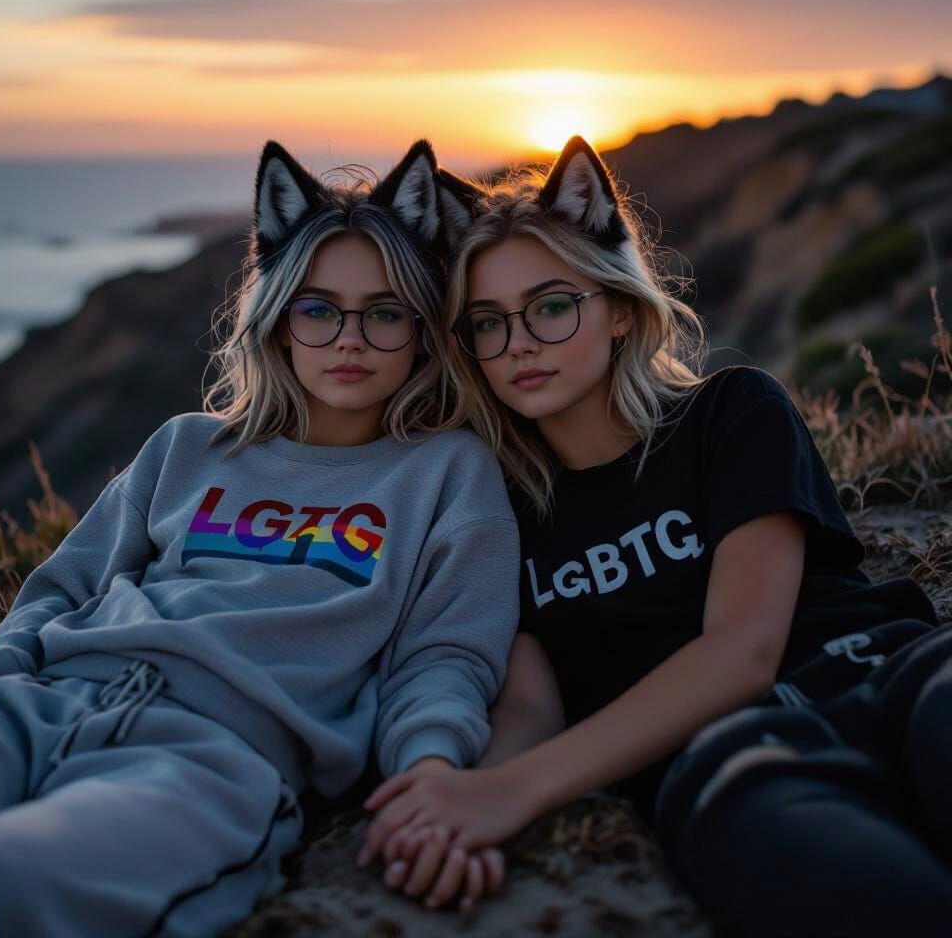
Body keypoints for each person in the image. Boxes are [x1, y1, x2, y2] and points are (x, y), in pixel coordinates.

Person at [357, 135, 952, 934]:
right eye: (487, 323)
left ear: (618, 307)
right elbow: (532, 709)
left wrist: (515, 792)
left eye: (552, 304)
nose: (519, 342)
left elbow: (743, 650)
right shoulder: (495, 510)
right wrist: (456, 811)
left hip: (890, 676)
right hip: (737, 762)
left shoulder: (730, 413)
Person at [0, 139, 520, 937]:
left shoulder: (448, 472)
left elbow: (444, 657)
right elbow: (63, 591)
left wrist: (430, 774)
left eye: (385, 313)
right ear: (278, 323)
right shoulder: (186, 446)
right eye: (318, 309)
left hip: (210, 759)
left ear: (423, 331)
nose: (350, 337)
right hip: (26, 708)